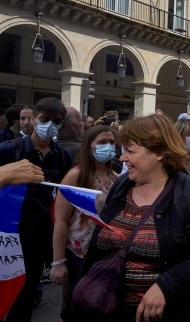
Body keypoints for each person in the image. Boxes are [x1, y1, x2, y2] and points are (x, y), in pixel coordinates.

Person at [61, 114, 190, 322]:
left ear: (158, 152)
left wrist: (167, 284)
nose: (122, 158)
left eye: (130, 151)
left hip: (169, 315)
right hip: (107, 312)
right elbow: (95, 254)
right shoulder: (121, 187)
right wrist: (68, 312)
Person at [0, 97, 73, 322]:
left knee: (26, 293)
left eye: (56, 121)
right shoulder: (10, 149)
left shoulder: (63, 156)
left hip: (40, 234)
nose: (49, 124)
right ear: (33, 118)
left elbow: (65, 196)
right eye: (44, 118)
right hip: (8, 232)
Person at [50, 126, 118, 299]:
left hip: (106, 253)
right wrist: (58, 262)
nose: (108, 146)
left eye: (111, 142)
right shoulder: (76, 176)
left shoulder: (114, 176)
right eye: (102, 142)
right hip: (79, 254)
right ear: (88, 146)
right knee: (76, 304)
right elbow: (61, 220)